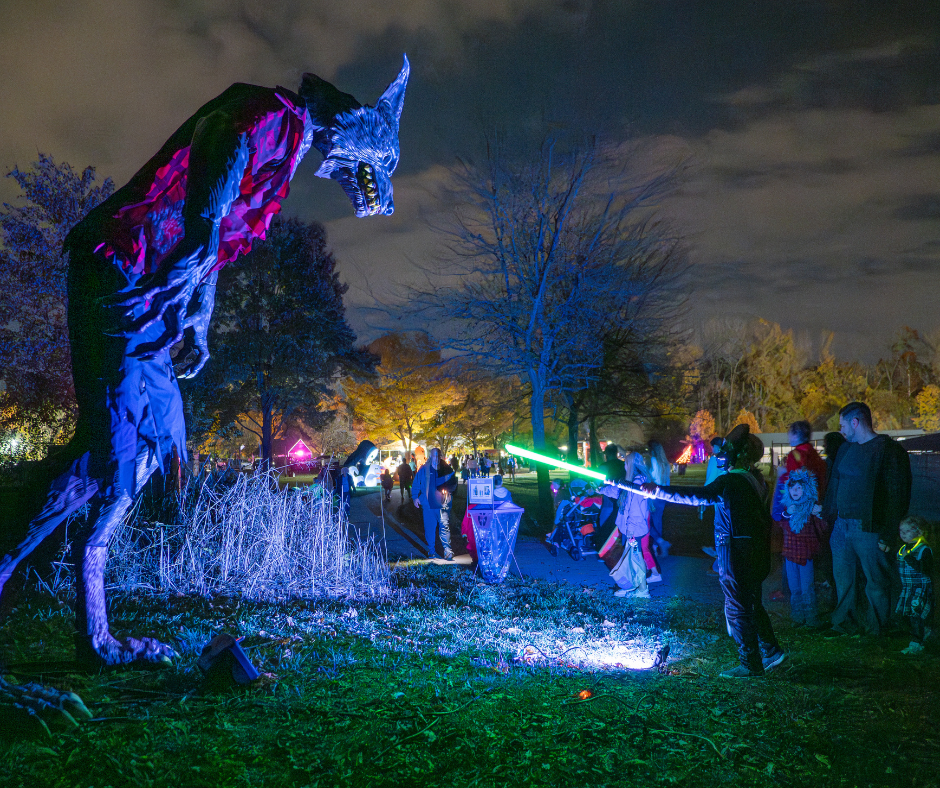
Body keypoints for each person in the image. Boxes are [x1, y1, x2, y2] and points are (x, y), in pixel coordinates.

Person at [0, 58, 410, 670]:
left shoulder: (286, 152)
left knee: (140, 458)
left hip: (151, 297)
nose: (364, 179)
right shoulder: (272, 116)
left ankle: (95, 634)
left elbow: (216, 246)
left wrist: (199, 312)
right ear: (354, 132)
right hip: (122, 272)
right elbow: (222, 138)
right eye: (372, 163)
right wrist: (199, 239)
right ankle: (54, 604)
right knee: (112, 461)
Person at [632, 425, 786, 678]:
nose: (719, 456)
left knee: (738, 606)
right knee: (752, 603)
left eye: (724, 452)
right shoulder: (755, 480)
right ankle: (770, 651)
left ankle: (750, 664)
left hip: (735, 551)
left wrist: (659, 491)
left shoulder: (731, 481)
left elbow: (698, 496)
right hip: (753, 549)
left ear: (735, 455)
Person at [822, 401, 912, 637]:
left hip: (869, 527)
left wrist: (889, 531)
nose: (841, 431)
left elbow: (897, 493)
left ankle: (877, 628)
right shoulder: (845, 449)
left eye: (843, 425)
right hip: (842, 525)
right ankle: (844, 623)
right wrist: (828, 514)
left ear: (856, 422)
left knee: (876, 580)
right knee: (843, 579)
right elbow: (835, 482)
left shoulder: (888, 450)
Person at [771, 468, 830, 627]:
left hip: (805, 555)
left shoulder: (810, 509)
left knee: (807, 588)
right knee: (794, 588)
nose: (795, 491)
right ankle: (797, 618)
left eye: (799, 488)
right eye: (792, 487)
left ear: (806, 489)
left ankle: (811, 618)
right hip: (790, 554)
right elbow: (782, 525)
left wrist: (819, 514)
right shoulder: (788, 509)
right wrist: (787, 514)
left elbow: (822, 528)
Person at [599, 451, 660, 586]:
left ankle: (640, 588)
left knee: (635, 558)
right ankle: (637, 587)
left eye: (626, 463)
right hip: (632, 527)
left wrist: (631, 530)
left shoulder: (637, 483)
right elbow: (618, 492)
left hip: (633, 528)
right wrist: (601, 490)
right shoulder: (633, 481)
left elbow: (636, 510)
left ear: (629, 464)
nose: (625, 466)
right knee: (634, 557)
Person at [894, 516, 934, 655]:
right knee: (908, 616)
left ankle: (917, 643)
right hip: (908, 589)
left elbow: (925, 569)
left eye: (907, 530)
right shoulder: (903, 548)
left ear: (919, 531)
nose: (903, 533)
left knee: (916, 616)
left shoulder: (924, 549)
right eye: (901, 530)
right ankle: (923, 636)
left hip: (920, 589)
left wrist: (908, 557)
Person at [412, 447, 458, 560]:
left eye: (438, 455)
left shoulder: (447, 469)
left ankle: (447, 550)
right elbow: (416, 483)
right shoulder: (424, 469)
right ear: (430, 456)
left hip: (443, 504)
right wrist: (415, 497)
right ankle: (431, 550)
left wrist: (449, 494)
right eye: (434, 455)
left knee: (444, 527)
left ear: (440, 456)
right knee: (429, 529)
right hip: (428, 504)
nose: (436, 458)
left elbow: (453, 484)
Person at [647, 440, 672, 556]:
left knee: (646, 520)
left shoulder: (653, 460)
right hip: (663, 495)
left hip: (653, 494)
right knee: (657, 521)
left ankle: (659, 542)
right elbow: (667, 481)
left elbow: (651, 477)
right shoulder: (666, 464)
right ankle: (657, 546)